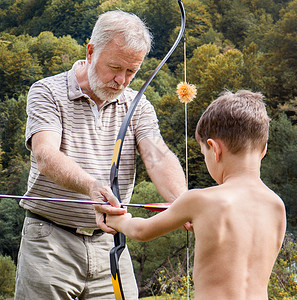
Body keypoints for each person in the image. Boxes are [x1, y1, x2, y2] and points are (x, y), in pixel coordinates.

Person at [16, 10, 187, 300]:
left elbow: (156, 156)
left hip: (111, 244)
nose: (121, 80)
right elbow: (45, 155)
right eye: (114, 68)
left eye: (131, 72)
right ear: (91, 51)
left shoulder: (137, 104)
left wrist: (185, 204)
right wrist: (91, 186)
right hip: (49, 241)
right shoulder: (47, 91)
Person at [106, 90, 287, 299]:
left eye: (203, 154)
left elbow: (141, 231)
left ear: (214, 149)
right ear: (263, 150)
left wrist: (118, 219)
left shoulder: (200, 200)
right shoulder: (276, 205)